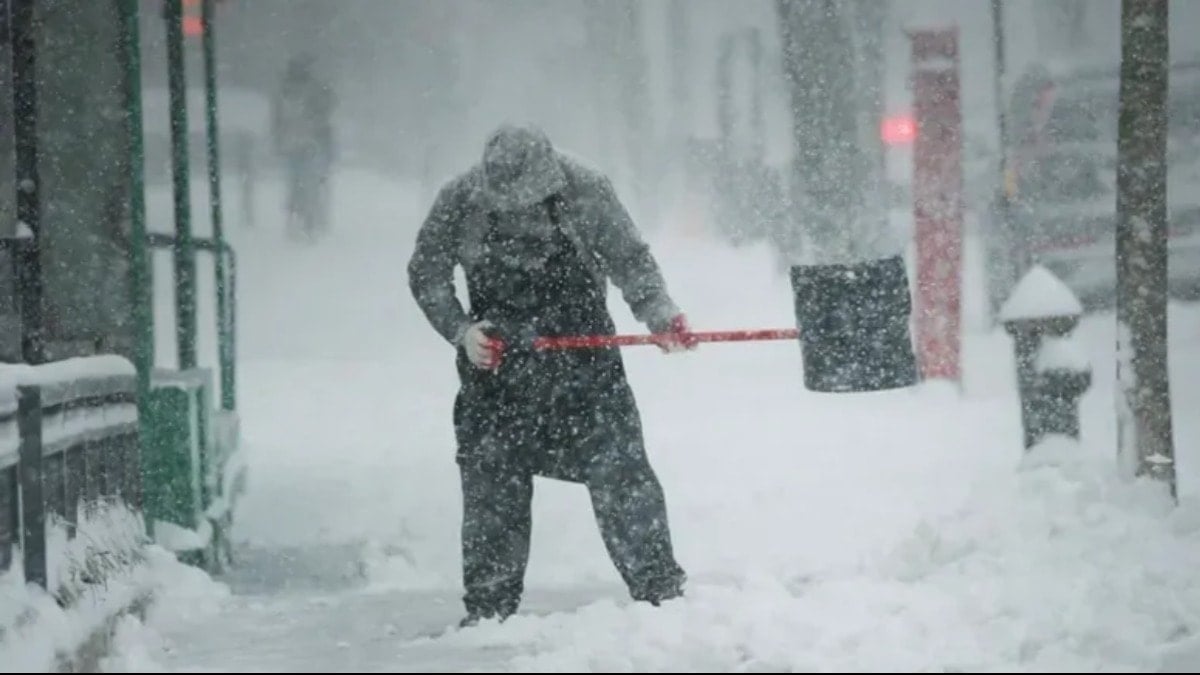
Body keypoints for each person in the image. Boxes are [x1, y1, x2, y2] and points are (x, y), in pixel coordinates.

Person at [408, 124, 697, 627]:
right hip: (497, 372)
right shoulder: (460, 198)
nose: (520, 217)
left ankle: (660, 595)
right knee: (492, 488)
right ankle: (489, 611)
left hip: (585, 369)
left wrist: (659, 313)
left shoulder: (587, 189)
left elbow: (630, 258)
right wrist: (460, 331)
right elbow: (426, 272)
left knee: (622, 476)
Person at [270, 53, 336, 240]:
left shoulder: (285, 91)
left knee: (297, 182)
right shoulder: (314, 90)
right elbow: (326, 110)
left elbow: (277, 120)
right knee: (309, 182)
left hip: (294, 144)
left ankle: (298, 218)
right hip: (308, 144)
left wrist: (278, 140)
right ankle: (308, 219)